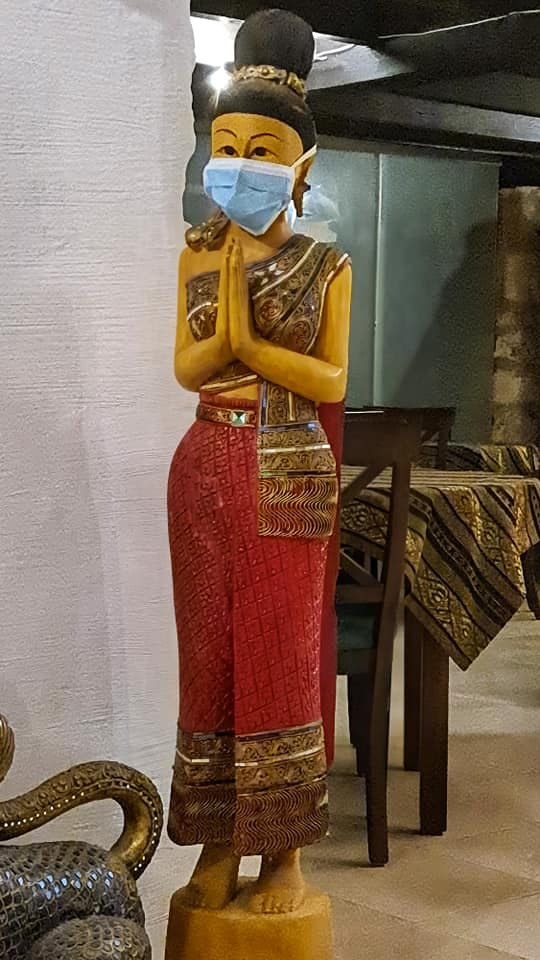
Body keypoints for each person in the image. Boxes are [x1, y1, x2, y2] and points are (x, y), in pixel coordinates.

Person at [167, 8, 352, 915]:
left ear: (301, 169)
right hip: (205, 461)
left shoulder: (327, 266)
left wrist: (246, 341)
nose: (240, 165)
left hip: (289, 466)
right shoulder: (199, 255)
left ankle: (283, 856)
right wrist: (226, 335)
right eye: (227, 147)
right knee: (210, 658)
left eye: (263, 151)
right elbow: (185, 366)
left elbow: (332, 377)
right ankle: (217, 843)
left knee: (281, 656)